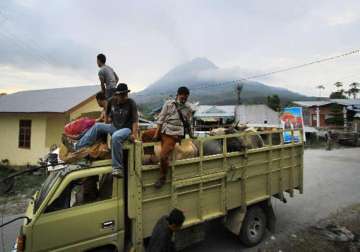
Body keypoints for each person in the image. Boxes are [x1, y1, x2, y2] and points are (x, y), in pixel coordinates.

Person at [64, 83, 138, 177]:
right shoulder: (112, 101)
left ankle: (117, 168)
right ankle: (77, 146)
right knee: (97, 126)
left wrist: (134, 135)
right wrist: (107, 121)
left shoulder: (131, 103)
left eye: (125, 95)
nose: (124, 97)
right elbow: (107, 113)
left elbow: (135, 121)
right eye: (122, 95)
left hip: (126, 129)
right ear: (117, 95)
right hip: (114, 127)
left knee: (116, 137)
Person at [151, 86, 192, 188]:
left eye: (186, 98)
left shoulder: (188, 108)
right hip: (163, 129)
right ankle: (150, 158)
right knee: (145, 136)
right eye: (182, 97)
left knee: (163, 156)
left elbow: (188, 122)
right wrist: (156, 134)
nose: (184, 100)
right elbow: (161, 119)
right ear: (177, 95)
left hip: (173, 133)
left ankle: (162, 177)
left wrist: (191, 135)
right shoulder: (168, 104)